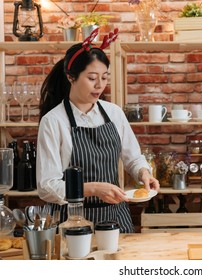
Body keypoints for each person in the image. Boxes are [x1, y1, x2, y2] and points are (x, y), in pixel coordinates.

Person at [36, 28, 159, 233]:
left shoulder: (114, 113)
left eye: (104, 77)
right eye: (92, 78)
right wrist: (93, 188)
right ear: (71, 77)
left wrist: (144, 173)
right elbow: (47, 187)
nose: (99, 85)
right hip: (72, 221)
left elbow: (133, 157)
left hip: (115, 218)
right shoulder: (53, 121)